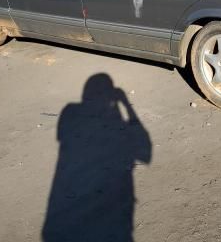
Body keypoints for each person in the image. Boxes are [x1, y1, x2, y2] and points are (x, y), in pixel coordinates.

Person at [42, 73, 152, 242]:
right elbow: (145, 154)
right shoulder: (75, 113)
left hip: (64, 214)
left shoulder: (69, 112)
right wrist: (126, 104)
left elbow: (61, 138)